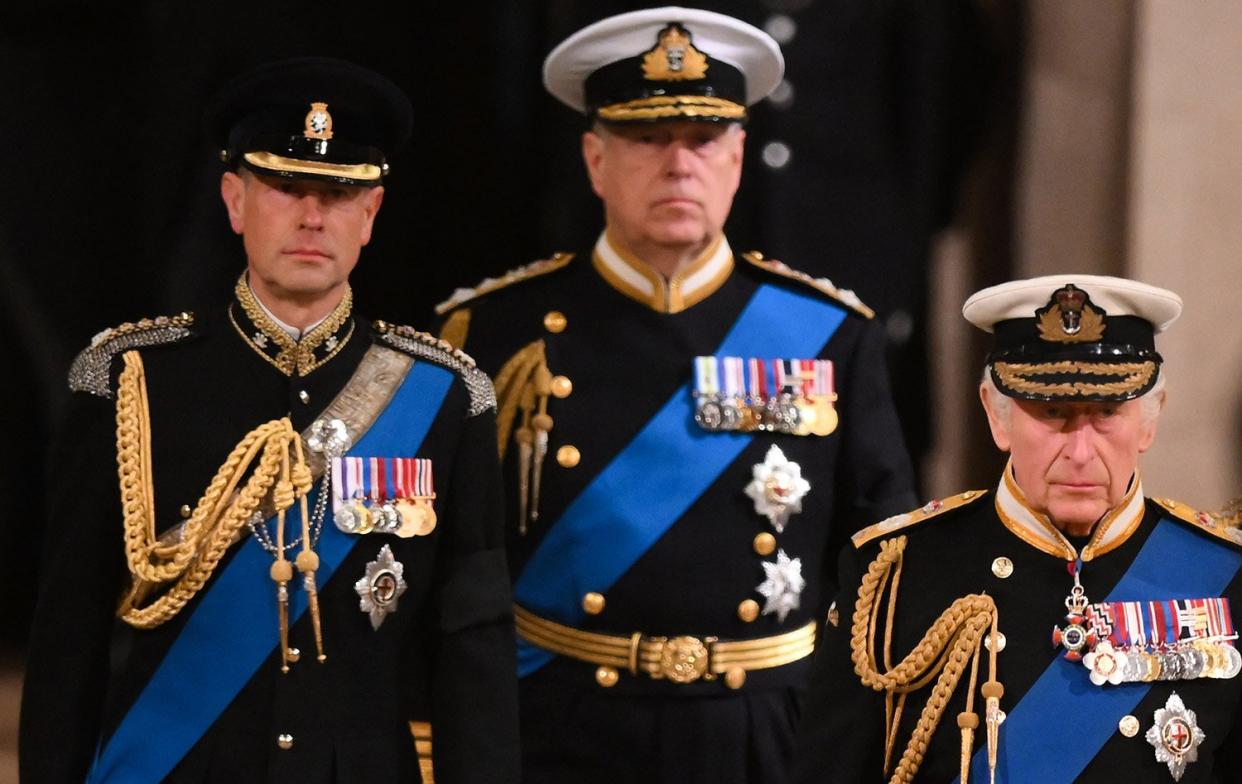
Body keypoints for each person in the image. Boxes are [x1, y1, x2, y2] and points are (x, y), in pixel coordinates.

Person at [434, 8, 916, 783]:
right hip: (559, 731)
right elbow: (454, 577)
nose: (679, 165)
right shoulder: (492, 334)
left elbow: (885, 576)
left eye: (703, 140)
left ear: (739, 156)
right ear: (595, 158)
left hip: (767, 737)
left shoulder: (827, 336)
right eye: (648, 139)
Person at [19, 57, 518, 784]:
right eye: (286, 187)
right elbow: (68, 642)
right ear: (234, 201)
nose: (312, 216)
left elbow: (472, 649)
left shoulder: (445, 395)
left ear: (371, 215)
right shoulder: (129, 383)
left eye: (340, 193)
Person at [792, 274, 1242, 782]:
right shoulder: (894, 576)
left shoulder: (1223, 575)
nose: (1079, 452)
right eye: (1052, 413)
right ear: (996, 415)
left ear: (1150, 417)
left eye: (1107, 413)